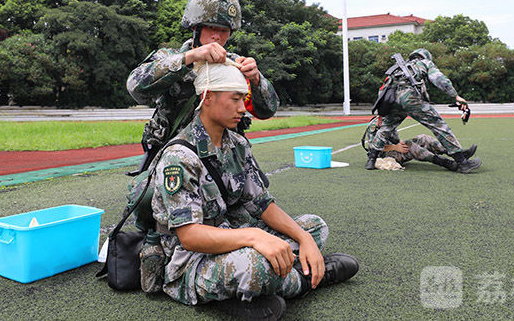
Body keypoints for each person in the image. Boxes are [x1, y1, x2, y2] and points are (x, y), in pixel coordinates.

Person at [143, 61, 358, 320]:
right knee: (256, 265)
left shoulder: (236, 144)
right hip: (190, 260)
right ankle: (305, 280)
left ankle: (258, 290)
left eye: (243, 100)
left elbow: (262, 204)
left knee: (314, 227)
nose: (242, 109)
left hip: (230, 235)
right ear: (207, 97)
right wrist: (256, 237)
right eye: (234, 100)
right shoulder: (180, 155)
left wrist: (304, 239)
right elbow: (189, 236)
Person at [127, 0, 279, 174]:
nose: (217, 36)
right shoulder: (169, 58)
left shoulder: (235, 66)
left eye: (224, 30)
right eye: (211, 28)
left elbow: (267, 111)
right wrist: (189, 58)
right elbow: (135, 87)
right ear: (195, 27)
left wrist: (256, 80)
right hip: (175, 160)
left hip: (225, 162)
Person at [363, 48, 481, 173]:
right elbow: (439, 79)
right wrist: (455, 95)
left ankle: (371, 160)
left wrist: (383, 111)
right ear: (425, 57)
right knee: (438, 125)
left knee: (385, 129)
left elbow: (383, 90)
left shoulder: (396, 69)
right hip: (410, 98)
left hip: (392, 101)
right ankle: (462, 162)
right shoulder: (424, 63)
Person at [363, 128, 473, 172]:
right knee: (410, 146)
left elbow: (395, 138)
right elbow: (373, 147)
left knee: (423, 138)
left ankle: (456, 153)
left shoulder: (390, 121)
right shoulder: (374, 126)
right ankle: (445, 162)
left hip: (394, 150)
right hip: (383, 156)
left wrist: (399, 142)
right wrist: (395, 147)